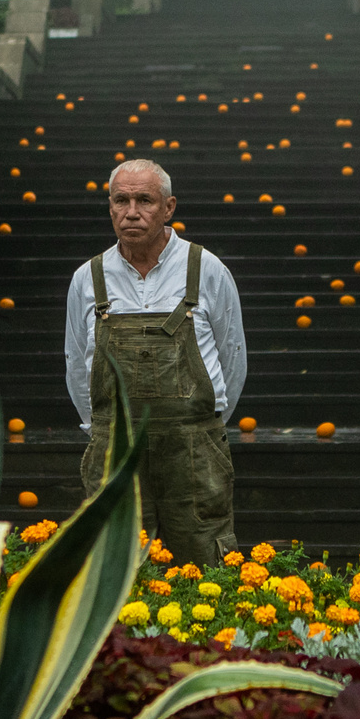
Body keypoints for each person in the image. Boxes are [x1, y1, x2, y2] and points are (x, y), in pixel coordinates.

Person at [64, 159, 247, 565]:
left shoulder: (207, 269)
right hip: (115, 451)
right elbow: (78, 367)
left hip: (194, 451)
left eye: (144, 200)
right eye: (121, 200)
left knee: (204, 560)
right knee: (114, 563)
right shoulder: (87, 279)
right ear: (109, 207)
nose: (132, 212)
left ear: (169, 208)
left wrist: (200, 426)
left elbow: (233, 359)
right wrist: (104, 430)